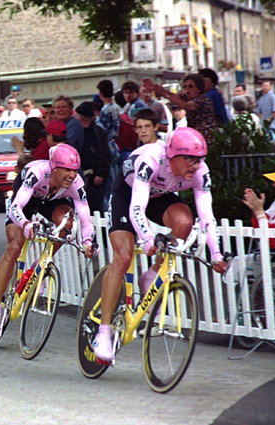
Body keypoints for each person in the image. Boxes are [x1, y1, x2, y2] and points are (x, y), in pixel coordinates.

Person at [91, 127, 227, 362]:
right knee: (123, 257)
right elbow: (136, 208)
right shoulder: (151, 159)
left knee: (184, 223)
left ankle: (152, 274)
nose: (196, 165)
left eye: (199, 159)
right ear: (172, 155)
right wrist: (146, 238)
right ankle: (103, 332)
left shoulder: (200, 172)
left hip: (160, 195)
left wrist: (216, 254)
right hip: (128, 194)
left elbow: (207, 217)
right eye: (190, 159)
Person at [0, 144, 95, 333]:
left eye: (75, 170)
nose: (72, 175)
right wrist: (26, 224)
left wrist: (87, 241)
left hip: (53, 199)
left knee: (68, 223)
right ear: (54, 167)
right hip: (27, 199)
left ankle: (40, 265)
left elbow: (85, 219)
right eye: (67, 170)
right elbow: (15, 207)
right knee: (15, 245)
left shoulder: (76, 184)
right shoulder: (37, 173)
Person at [142, 74, 216, 144]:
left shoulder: (203, 100)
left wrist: (163, 93)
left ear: (198, 89)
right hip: (196, 138)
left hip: (207, 138)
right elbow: (175, 97)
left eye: (191, 86)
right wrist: (155, 88)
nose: (187, 89)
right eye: (185, 86)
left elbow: (186, 106)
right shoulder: (187, 97)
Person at [75, 102, 111, 214]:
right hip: (87, 174)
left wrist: (100, 173)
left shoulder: (96, 132)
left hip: (93, 175)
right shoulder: (86, 132)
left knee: (96, 206)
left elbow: (103, 153)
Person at [96, 79, 122, 212]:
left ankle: (111, 211)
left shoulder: (105, 110)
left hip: (108, 148)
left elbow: (102, 131)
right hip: (115, 145)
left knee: (109, 185)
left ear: (100, 93)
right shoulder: (117, 108)